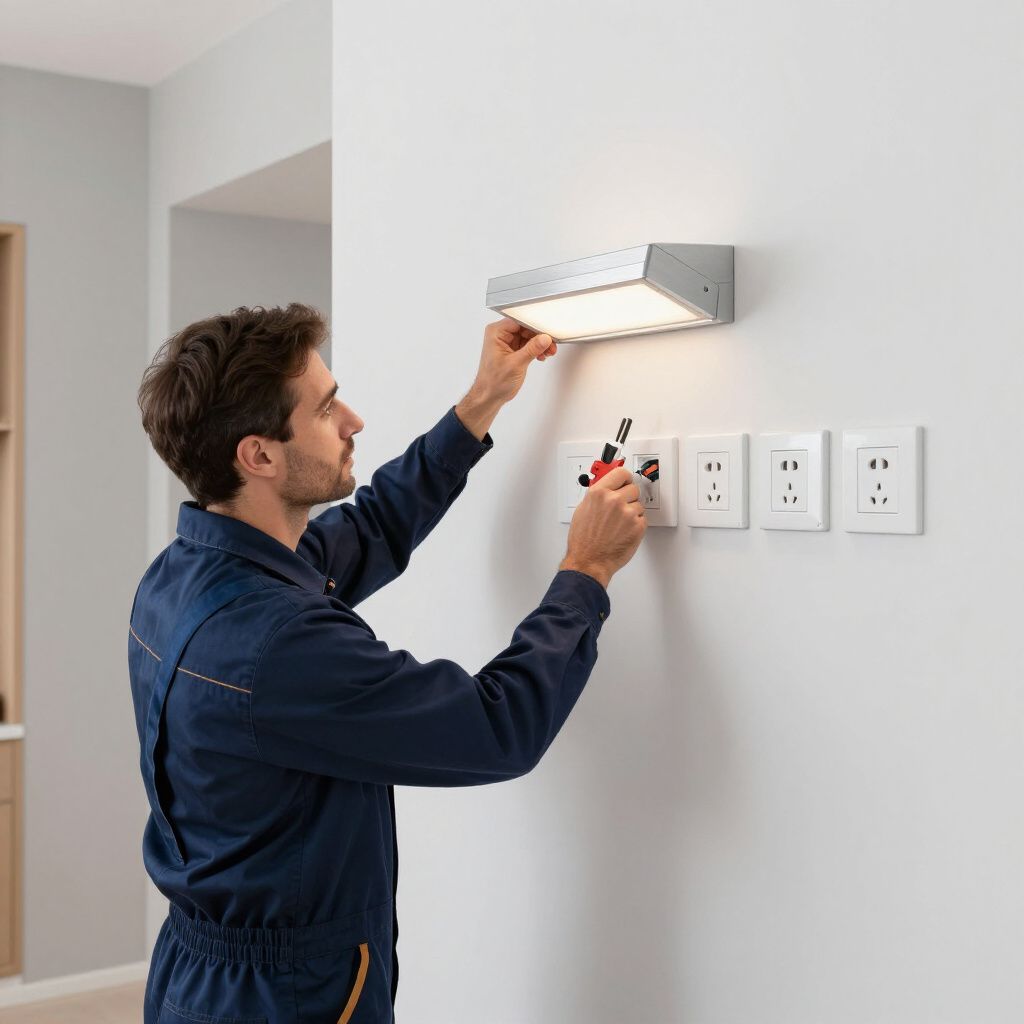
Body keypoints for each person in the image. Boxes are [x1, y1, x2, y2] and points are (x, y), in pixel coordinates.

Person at [130, 303, 646, 1024]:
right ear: (260, 456)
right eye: (326, 408)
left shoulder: (185, 573)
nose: (354, 421)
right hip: (285, 997)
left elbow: (371, 527)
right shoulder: (279, 645)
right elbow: (497, 728)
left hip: (197, 973)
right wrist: (586, 570)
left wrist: (480, 403)